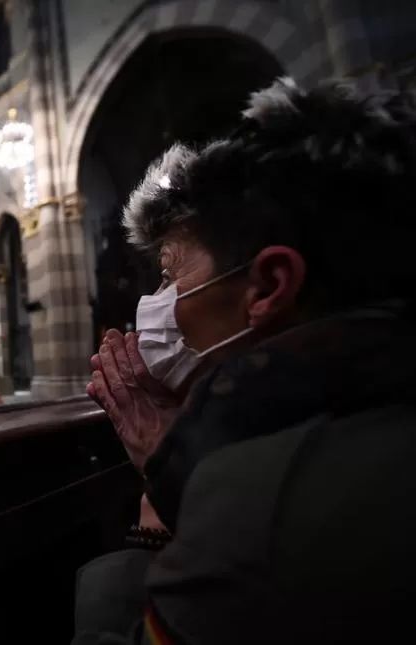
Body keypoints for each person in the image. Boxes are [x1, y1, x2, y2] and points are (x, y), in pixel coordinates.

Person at [76, 78, 416, 645]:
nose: (157, 304)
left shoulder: (262, 501)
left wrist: (157, 530)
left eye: (170, 274)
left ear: (269, 284)